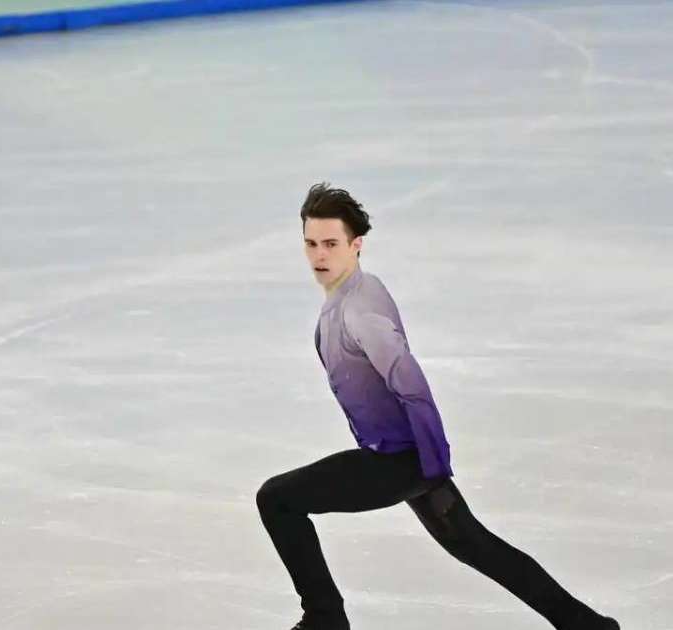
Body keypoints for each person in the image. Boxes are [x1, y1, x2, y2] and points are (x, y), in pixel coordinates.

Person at [255, 183, 620, 630]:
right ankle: (588, 626)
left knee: (277, 499)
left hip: (400, 459)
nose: (319, 255)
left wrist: (433, 463)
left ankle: (325, 619)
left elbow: (412, 386)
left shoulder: (360, 313)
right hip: (405, 456)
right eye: (311, 244)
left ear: (356, 244)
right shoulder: (354, 293)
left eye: (331, 243)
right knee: (476, 545)